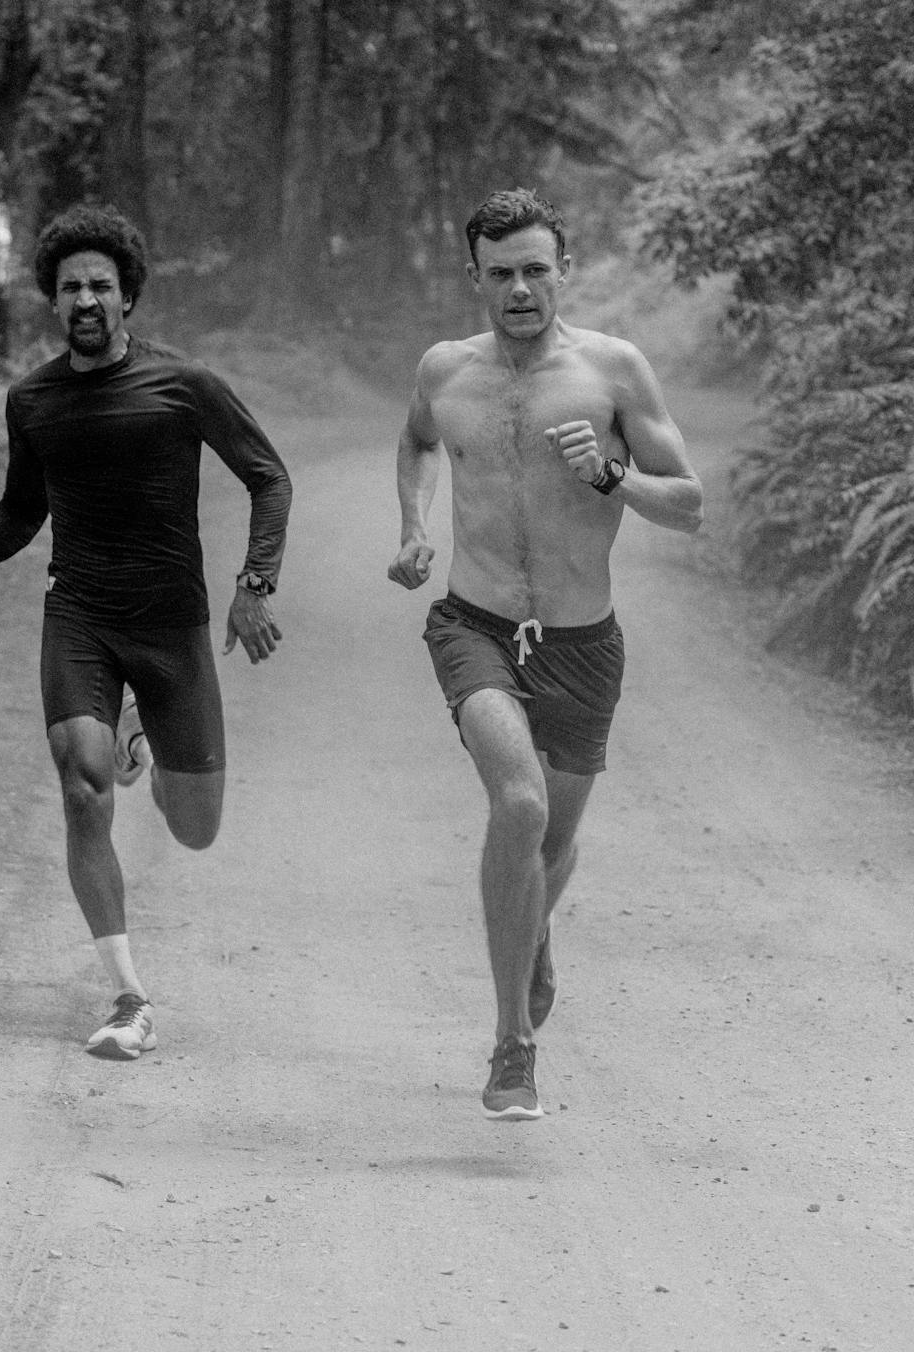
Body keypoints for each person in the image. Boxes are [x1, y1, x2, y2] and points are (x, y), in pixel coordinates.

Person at [0, 204, 291, 1061]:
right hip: (79, 614)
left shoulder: (184, 385)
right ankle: (128, 997)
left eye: (101, 286)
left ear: (128, 297)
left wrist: (253, 585)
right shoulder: (33, 400)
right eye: (71, 286)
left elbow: (269, 479)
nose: (86, 299)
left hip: (171, 625)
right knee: (83, 783)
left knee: (195, 828)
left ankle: (142, 732)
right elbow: (22, 510)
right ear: (53, 299)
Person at [387, 188, 703, 1120]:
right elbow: (416, 444)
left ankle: (533, 930)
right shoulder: (445, 370)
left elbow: (689, 504)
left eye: (535, 270)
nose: (520, 289)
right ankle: (512, 1046)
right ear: (475, 278)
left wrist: (610, 473)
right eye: (501, 274)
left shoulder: (614, 371)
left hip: (582, 642)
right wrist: (413, 527)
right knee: (519, 806)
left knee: (553, 844)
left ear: (564, 269)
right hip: (474, 626)